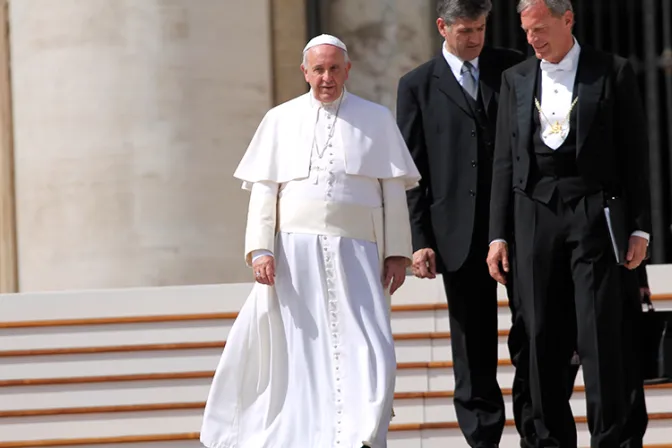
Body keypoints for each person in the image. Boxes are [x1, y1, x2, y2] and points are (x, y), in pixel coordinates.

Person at [199, 34, 421, 448]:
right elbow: (266, 190)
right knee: (296, 344)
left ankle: (361, 428)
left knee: (366, 341)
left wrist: (397, 253)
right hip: (292, 255)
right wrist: (260, 248)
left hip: (357, 254)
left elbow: (393, 190)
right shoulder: (280, 120)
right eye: (318, 69)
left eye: (334, 68)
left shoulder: (375, 119)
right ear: (305, 72)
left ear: (347, 70)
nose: (326, 77)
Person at [486, 0, 651, 446]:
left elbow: (635, 154)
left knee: (600, 333)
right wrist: (498, 234)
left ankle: (613, 438)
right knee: (539, 334)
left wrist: (639, 227)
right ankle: (546, 440)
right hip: (534, 213)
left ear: (568, 20)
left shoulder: (611, 71)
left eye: (541, 29)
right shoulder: (515, 79)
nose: (533, 39)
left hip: (593, 211)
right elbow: (503, 163)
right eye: (526, 32)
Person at [396, 1, 528, 446]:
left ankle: (536, 427)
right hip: (457, 233)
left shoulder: (513, 67)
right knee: (472, 346)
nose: (474, 38)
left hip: (518, 227)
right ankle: (482, 438)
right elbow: (412, 172)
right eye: (465, 30)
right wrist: (420, 240)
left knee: (532, 330)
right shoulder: (415, 86)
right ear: (442, 27)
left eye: (480, 28)